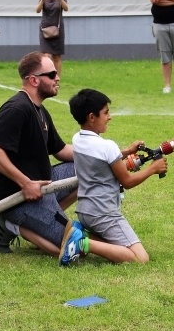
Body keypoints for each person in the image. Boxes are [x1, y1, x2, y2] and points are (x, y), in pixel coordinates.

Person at [0, 51, 77, 257]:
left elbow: (61, 151)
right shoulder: (17, 108)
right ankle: (10, 224)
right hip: (20, 197)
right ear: (34, 80)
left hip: (44, 186)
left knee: (86, 171)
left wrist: (105, 156)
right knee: (72, 249)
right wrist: (25, 183)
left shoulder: (40, 110)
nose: (58, 77)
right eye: (51, 74)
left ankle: (46, 219)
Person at [59, 88, 167, 265]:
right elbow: (127, 181)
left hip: (85, 211)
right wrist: (152, 169)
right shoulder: (107, 146)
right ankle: (81, 242)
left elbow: (104, 159)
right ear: (92, 117)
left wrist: (126, 151)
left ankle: (82, 233)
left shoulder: (77, 139)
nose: (110, 117)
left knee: (120, 248)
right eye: (106, 112)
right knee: (140, 259)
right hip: (104, 214)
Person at [36, 0, 68, 77]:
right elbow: (37, 10)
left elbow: (66, 9)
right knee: (46, 55)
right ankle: (48, 78)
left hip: (57, 29)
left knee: (57, 56)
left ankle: (56, 79)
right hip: (45, 29)